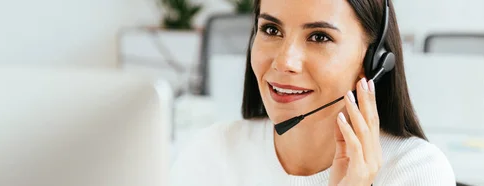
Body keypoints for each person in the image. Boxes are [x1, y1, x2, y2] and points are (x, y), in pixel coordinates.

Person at [171, 0, 455, 185]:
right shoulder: (211, 152)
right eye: (271, 29)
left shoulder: (416, 172)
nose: (284, 62)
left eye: (319, 37)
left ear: (374, 61)